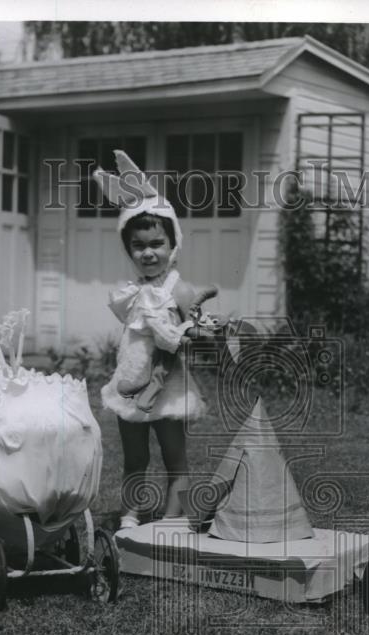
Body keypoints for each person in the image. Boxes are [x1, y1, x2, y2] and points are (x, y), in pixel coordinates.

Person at [93, 151, 217, 528]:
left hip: (168, 385)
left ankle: (171, 519)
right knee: (134, 457)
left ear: (172, 243)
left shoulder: (180, 289)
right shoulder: (130, 292)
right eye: (138, 246)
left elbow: (195, 330)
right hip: (132, 382)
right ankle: (132, 512)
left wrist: (199, 330)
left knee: (173, 456)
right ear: (128, 249)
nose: (148, 252)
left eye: (157, 243)